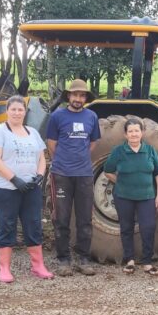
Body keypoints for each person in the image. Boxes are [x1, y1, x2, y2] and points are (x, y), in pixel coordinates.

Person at [0, 95, 54, 283]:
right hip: (5, 187)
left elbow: (42, 157)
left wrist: (39, 176)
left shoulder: (32, 132)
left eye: (20, 109)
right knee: (7, 224)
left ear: (25, 112)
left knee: (33, 224)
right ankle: (5, 269)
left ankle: (38, 266)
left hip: (31, 186)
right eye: (13, 109)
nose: (17, 112)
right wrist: (14, 179)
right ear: (7, 111)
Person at [46, 79, 101, 277]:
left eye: (82, 95)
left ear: (85, 98)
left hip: (85, 174)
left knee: (85, 218)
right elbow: (51, 142)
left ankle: (84, 259)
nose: (78, 98)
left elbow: (93, 142)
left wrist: (81, 158)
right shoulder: (57, 116)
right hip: (61, 174)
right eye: (75, 95)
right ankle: (63, 260)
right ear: (68, 96)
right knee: (61, 218)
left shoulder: (92, 116)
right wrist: (61, 160)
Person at [104, 118, 158, 275]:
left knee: (148, 227)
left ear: (142, 132)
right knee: (126, 227)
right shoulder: (118, 151)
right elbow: (108, 170)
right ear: (125, 134)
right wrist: (121, 181)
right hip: (124, 196)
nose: (134, 134)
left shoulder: (150, 151)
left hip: (147, 196)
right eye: (130, 131)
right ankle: (129, 260)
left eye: (137, 130)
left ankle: (147, 262)